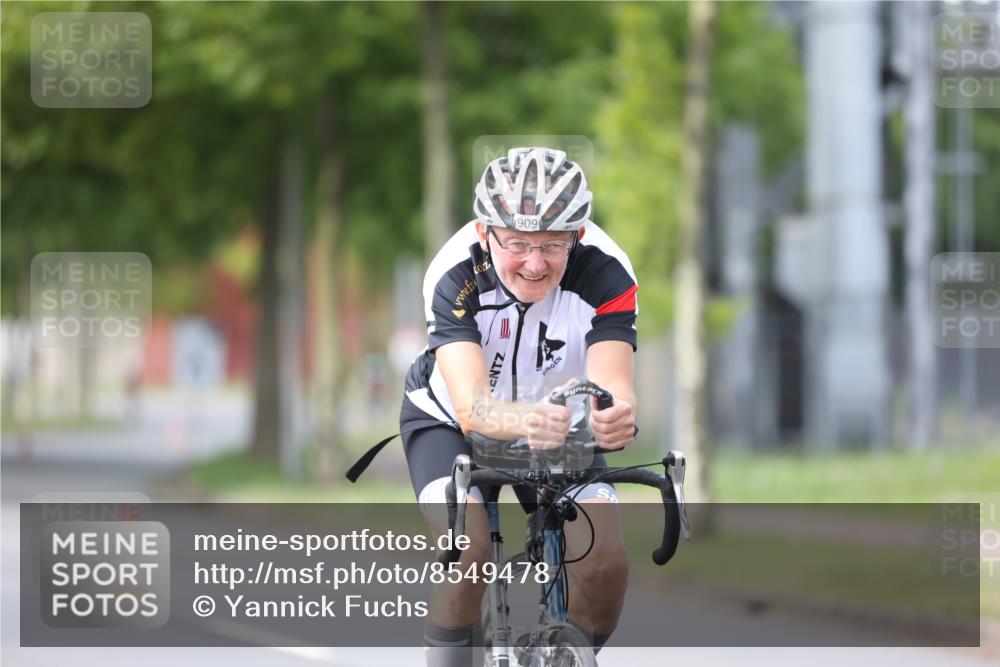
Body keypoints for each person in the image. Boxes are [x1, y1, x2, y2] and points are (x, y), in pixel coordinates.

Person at [401, 147, 639, 665]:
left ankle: (565, 657)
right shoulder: (453, 272)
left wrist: (614, 415)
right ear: (485, 233)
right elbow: (472, 410)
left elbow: (611, 385)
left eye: (552, 246)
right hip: (451, 422)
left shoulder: (608, 272)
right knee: (469, 554)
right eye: (517, 245)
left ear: (577, 235)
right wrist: (528, 421)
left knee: (604, 564)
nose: (534, 264)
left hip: (558, 421)